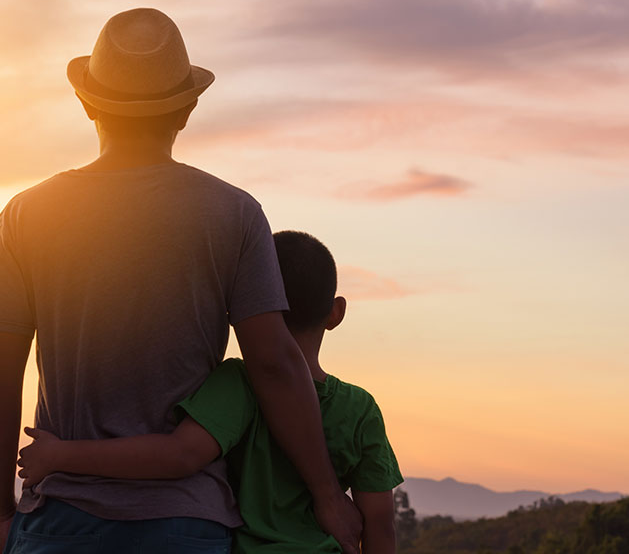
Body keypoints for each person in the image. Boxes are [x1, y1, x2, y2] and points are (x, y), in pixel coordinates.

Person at [0, 8, 360, 553]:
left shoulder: (27, 215)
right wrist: (329, 496)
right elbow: (273, 362)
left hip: (60, 518)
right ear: (187, 109)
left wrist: (0, 508)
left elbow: (5, 368)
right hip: (184, 521)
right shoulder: (232, 214)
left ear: (86, 103)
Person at [18, 230, 403, 553]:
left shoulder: (237, 383)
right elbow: (380, 526)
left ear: (243, 304)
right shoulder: (360, 409)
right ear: (336, 312)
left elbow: (179, 455)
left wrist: (60, 454)